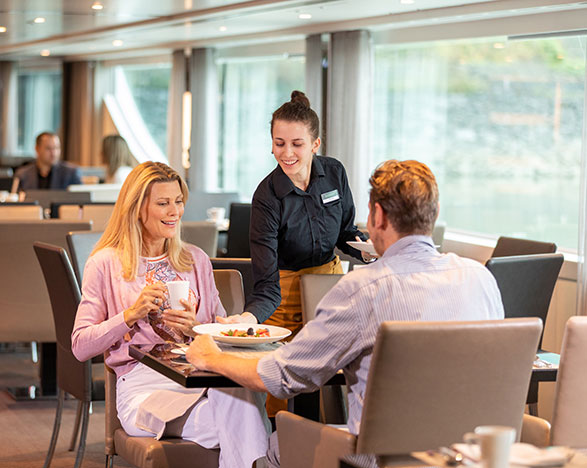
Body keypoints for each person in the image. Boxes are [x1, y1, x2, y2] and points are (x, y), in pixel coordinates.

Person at [186, 159, 505, 468]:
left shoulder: (364, 288)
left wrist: (210, 358)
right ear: (432, 214)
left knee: (271, 448)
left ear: (377, 215)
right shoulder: (480, 278)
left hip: (377, 459)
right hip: (473, 457)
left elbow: (282, 376)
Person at [71, 161, 270, 468]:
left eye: (178, 202)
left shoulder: (195, 260)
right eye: (163, 203)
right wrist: (130, 314)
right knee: (249, 423)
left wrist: (197, 329)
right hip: (142, 387)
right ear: (138, 208)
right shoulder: (105, 263)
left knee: (238, 399)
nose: (175, 211)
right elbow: (80, 346)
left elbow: (221, 335)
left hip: (201, 378)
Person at [231, 91, 368, 337]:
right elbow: (266, 285)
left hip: (330, 291)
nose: (287, 153)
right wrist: (247, 319)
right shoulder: (266, 197)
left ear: (315, 144)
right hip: (283, 300)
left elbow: (346, 233)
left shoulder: (335, 172)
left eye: (297, 144)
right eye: (279, 143)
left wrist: (372, 251)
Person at [13, 132, 81, 191]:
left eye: (56, 148)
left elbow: (80, 201)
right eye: (48, 149)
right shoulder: (23, 174)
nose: (53, 153)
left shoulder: (71, 173)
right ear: (37, 149)